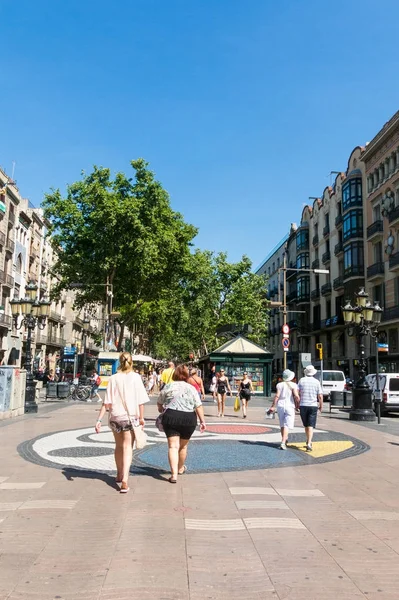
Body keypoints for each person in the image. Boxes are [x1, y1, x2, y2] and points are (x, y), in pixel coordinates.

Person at [95, 352, 149, 493]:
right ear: (132, 362)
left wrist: (99, 420)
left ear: (119, 362)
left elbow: (106, 402)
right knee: (127, 448)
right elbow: (141, 401)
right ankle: (125, 479)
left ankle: (118, 474)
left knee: (118, 446)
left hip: (115, 417)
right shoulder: (136, 378)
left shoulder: (113, 378)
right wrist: (142, 418)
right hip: (130, 417)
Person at [157, 364, 206, 483]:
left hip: (171, 417)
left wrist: (162, 410)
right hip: (188, 418)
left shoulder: (168, 386)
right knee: (183, 446)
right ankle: (180, 468)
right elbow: (198, 406)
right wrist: (202, 421)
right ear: (186, 375)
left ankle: (174, 475)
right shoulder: (191, 388)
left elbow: (159, 403)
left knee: (173, 446)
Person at [269, 369, 299, 449]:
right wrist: (298, 405)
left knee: (282, 424)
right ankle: (283, 442)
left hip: (280, 406)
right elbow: (296, 396)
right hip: (290, 406)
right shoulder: (294, 385)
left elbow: (277, 396)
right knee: (286, 425)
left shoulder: (279, 385)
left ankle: (284, 440)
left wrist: (272, 406)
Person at [298, 364, 323, 451]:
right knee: (311, 425)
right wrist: (321, 406)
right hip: (313, 406)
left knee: (306, 425)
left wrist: (297, 404)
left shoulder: (301, 380)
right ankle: (309, 442)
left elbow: (298, 393)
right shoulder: (316, 382)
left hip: (303, 405)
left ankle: (308, 440)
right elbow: (320, 395)